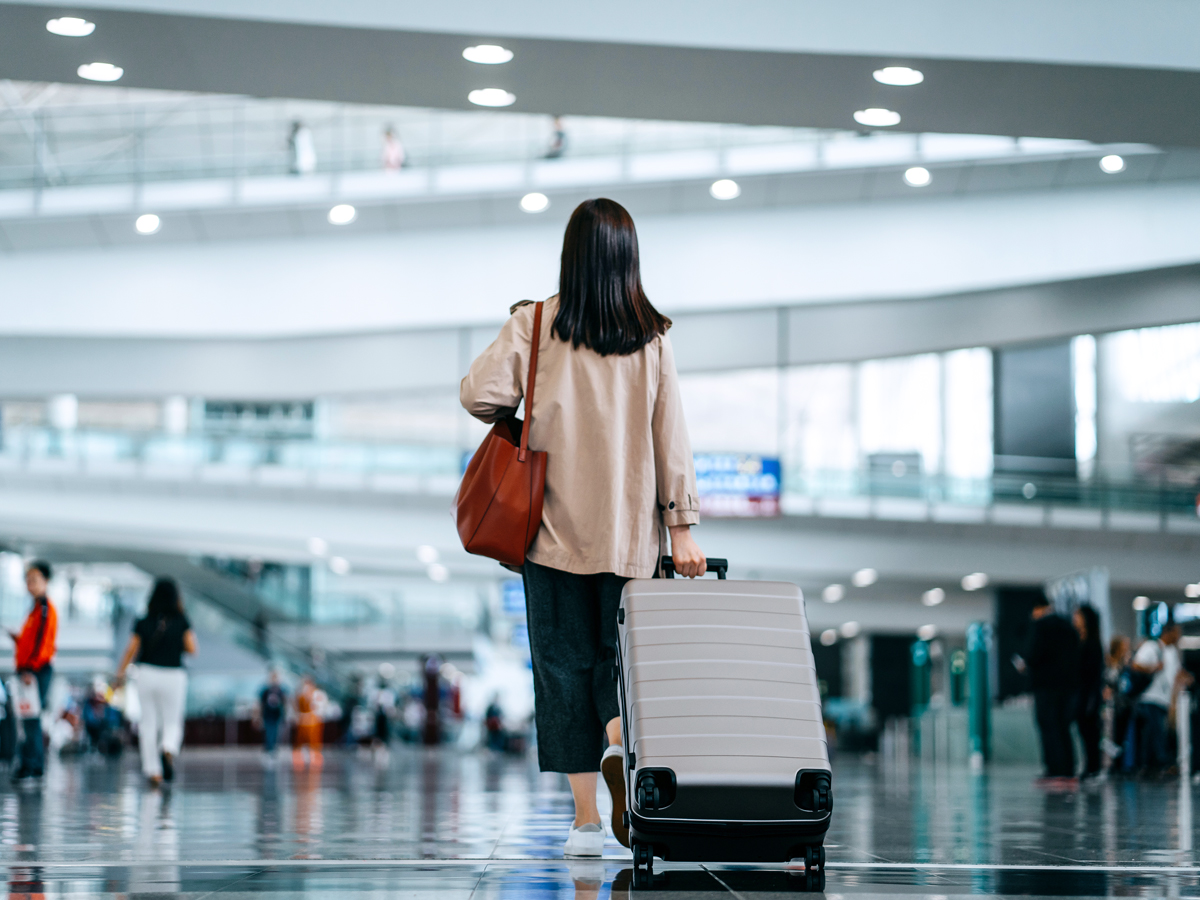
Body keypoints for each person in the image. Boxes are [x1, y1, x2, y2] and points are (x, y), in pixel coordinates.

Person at [460, 198, 705, 858]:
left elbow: (477, 395)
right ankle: (618, 745)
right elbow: (671, 436)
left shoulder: (536, 323)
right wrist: (682, 527)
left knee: (561, 670)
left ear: (569, 256)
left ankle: (587, 825)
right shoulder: (653, 339)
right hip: (630, 539)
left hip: (550, 534)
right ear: (629, 259)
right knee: (615, 667)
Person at [115, 578, 196, 787]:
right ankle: (168, 748)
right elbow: (192, 649)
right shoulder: (181, 620)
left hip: (147, 673)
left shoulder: (144, 620)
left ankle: (153, 772)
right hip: (173, 675)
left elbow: (131, 650)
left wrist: (119, 674)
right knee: (172, 721)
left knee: (148, 722)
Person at [9, 560, 58, 782]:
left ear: (46, 582)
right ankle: (29, 764)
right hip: (29, 670)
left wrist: (30, 669)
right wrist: (18, 640)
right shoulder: (34, 610)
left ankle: (33, 766)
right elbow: (31, 642)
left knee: (31, 720)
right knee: (27, 719)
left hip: (34, 671)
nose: (30, 585)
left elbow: (41, 645)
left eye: (35, 580)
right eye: (28, 580)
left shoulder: (45, 609)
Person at [1024, 596, 1080, 781]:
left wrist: (1028, 665)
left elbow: (1034, 654)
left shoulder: (1041, 627)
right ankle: (1068, 768)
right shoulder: (1068, 626)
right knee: (1063, 726)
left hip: (1046, 686)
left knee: (1048, 726)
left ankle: (1054, 768)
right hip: (1068, 686)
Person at [1131, 621, 1191, 775]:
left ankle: (1153, 766)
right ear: (1167, 632)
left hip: (1163, 699)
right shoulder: (1152, 647)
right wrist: (1153, 668)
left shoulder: (1172, 652)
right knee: (1154, 733)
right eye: (1176, 633)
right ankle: (1156, 765)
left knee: (1156, 733)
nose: (1178, 637)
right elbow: (1136, 665)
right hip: (1150, 698)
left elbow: (1177, 674)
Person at [1074, 605, 1104, 779]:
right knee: (1084, 731)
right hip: (1081, 692)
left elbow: (1094, 674)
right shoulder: (1079, 640)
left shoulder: (1092, 643)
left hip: (1089, 694)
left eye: (1078, 615)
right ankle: (1090, 766)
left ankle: (1094, 768)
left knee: (1090, 731)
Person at [292, 675, 323, 769]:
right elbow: (296, 706)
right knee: (301, 740)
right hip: (303, 721)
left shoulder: (317, 694)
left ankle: (313, 756)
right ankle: (302, 756)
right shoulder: (300, 695)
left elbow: (319, 707)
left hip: (313, 721)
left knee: (313, 740)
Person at [259, 669, 287, 757]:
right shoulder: (266, 691)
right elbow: (261, 704)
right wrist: (258, 715)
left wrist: (285, 714)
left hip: (277, 714)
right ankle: (269, 747)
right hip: (267, 714)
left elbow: (284, 702)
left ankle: (274, 747)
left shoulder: (281, 690)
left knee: (276, 731)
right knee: (268, 731)